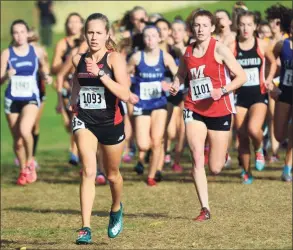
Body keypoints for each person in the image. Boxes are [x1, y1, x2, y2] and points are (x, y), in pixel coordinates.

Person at [170, 9, 246, 221]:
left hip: (219, 109)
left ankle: (222, 154)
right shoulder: (187, 51)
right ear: (192, 28)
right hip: (193, 108)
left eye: (204, 25)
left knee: (215, 167)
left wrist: (222, 90)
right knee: (196, 157)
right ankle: (205, 208)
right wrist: (176, 84)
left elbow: (241, 76)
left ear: (212, 28)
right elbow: (182, 73)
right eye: (197, 25)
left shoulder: (219, 49)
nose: (200, 29)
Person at [69, 13, 130, 244]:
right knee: (88, 171)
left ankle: (116, 208)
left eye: (98, 33)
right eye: (90, 32)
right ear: (85, 34)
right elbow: (77, 81)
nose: (94, 37)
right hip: (85, 120)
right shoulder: (78, 59)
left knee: (112, 175)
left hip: (111, 123)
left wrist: (101, 74)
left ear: (107, 35)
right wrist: (73, 100)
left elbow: (124, 93)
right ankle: (85, 227)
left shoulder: (115, 60)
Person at [1, 19, 50, 185]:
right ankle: (22, 170)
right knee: (17, 140)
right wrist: (7, 75)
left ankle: (30, 163)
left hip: (30, 98)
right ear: (12, 35)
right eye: (15, 32)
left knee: (24, 130)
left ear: (27, 33)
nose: (19, 35)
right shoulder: (6, 53)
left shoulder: (36, 51)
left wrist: (46, 76)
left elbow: (44, 68)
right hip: (12, 99)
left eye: (22, 32)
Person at [127, 25, 178, 186]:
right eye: (147, 36)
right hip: (142, 103)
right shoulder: (136, 57)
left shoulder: (165, 57)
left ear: (159, 38)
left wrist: (169, 84)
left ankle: (151, 175)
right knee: (143, 144)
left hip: (159, 103)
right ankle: (147, 157)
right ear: (143, 39)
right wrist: (129, 89)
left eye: (153, 36)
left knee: (157, 141)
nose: (150, 40)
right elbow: (126, 75)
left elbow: (179, 75)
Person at [231, 11, 277, 183]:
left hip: (259, 94)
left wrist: (269, 79)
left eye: (249, 24)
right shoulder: (232, 46)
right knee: (242, 135)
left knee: (252, 129)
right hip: (239, 95)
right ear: (238, 26)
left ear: (255, 27)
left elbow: (272, 62)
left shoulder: (261, 45)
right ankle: (246, 172)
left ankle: (259, 148)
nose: (245, 28)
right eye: (242, 24)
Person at [52, 12, 84, 165]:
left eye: (77, 22)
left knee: (76, 120)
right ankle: (76, 151)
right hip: (66, 85)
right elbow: (54, 68)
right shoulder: (63, 44)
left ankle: (75, 152)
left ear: (82, 24)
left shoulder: (87, 42)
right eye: (70, 22)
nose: (74, 25)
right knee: (70, 124)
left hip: (83, 86)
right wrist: (68, 64)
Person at [273, 18, 293, 182]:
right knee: (279, 135)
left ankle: (287, 167)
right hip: (285, 92)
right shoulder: (282, 45)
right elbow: (268, 63)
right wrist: (271, 84)